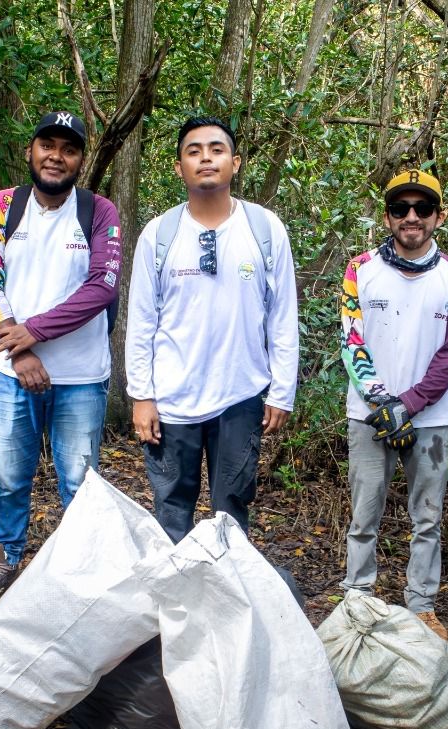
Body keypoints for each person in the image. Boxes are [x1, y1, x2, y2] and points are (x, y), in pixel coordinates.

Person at [0, 111, 123, 600]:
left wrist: (32, 331)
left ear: (80, 159)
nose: (57, 156)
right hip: (11, 373)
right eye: (47, 145)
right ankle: (4, 557)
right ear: (30, 151)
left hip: (80, 375)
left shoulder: (99, 212)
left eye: (69, 149)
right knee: (12, 475)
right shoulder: (2, 206)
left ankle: (78, 573)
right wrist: (19, 351)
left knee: (79, 481)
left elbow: (102, 286)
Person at [125, 116, 299, 543]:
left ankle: (228, 602)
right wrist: (142, 396)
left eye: (217, 149)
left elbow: (282, 316)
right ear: (179, 167)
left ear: (235, 162)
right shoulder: (159, 234)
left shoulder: (264, 228)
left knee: (233, 510)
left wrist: (281, 391)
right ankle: (174, 604)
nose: (206, 158)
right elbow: (142, 319)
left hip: (239, 394)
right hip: (171, 399)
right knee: (171, 510)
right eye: (194, 150)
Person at [339, 169, 448, 641]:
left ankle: (421, 605)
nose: (411, 217)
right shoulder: (360, 268)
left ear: (439, 216)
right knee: (364, 512)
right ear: (388, 216)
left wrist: (409, 404)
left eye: (422, 208)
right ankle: (357, 596)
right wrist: (381, 401)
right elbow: (351, 339)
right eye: (400, 208)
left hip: (431, 418)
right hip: (368, 413)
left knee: (428, 516)